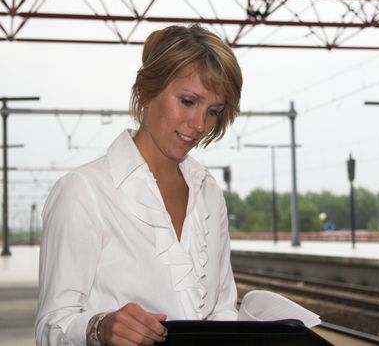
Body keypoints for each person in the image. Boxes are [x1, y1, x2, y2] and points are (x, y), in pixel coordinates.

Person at [35, 24, 243, 346]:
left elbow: (223, 309)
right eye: (188, 101)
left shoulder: (208, 193)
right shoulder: (82, 192)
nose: (200, 125)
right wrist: (99, 329)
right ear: (146, 91)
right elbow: (51, 326)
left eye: (213, 111)